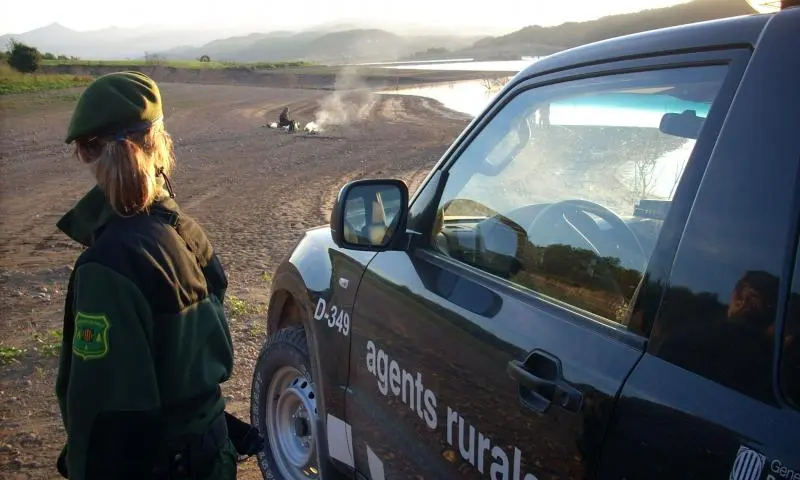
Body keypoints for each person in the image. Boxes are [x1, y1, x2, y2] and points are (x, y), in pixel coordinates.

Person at [54, 71, 259, 479]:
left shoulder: (108, 265)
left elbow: (111, 417)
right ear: (160, 143)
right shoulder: (184, 230)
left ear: (86, 151)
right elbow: (190, 359)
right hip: (211, 456)